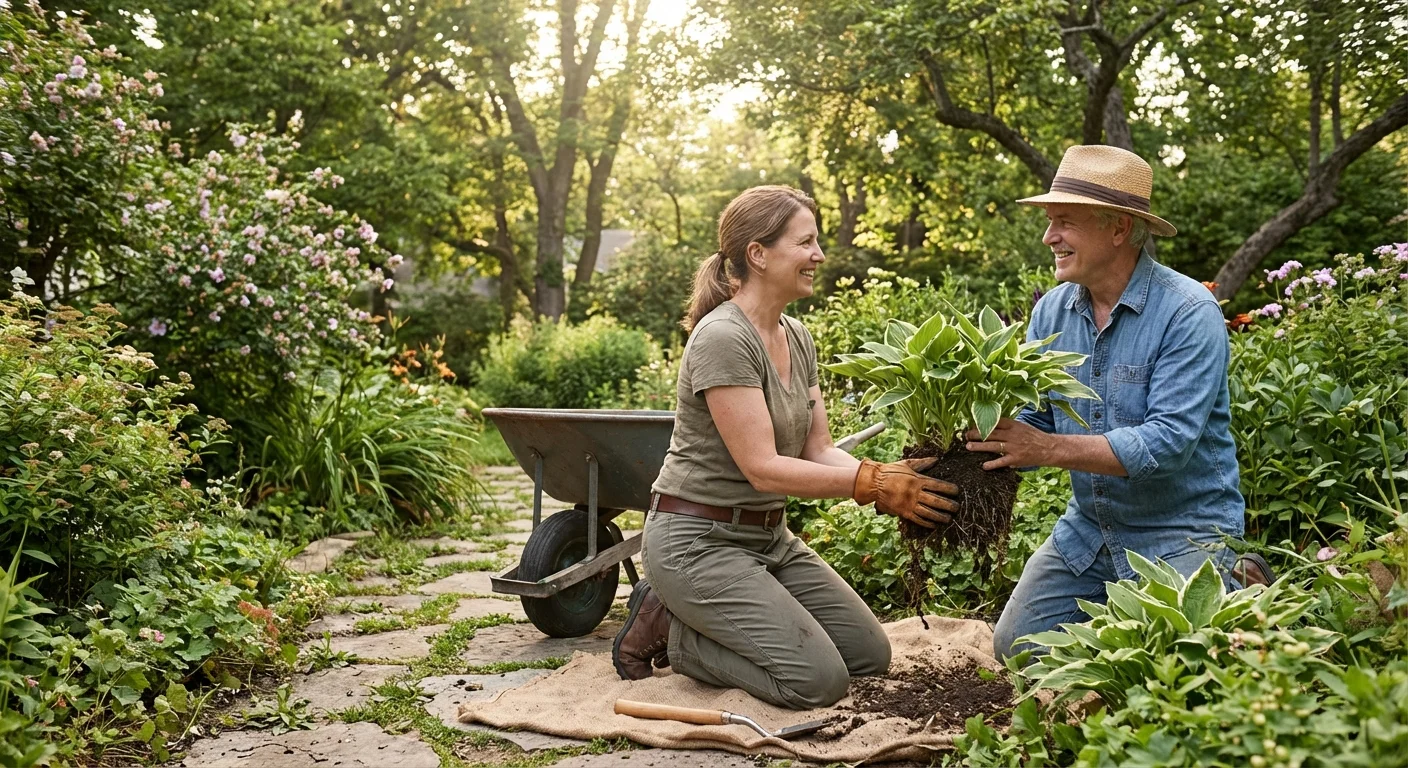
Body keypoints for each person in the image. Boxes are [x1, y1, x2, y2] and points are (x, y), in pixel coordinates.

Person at [610, 185, 960, 709]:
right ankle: (676, 633)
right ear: (758, 253)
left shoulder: (796, 336)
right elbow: (764, 470)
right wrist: (869, 484)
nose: (818, 255)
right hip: (698, 542)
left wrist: (883, 472)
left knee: (868, 655)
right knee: (817, 682)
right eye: (805, 243)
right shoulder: (724, 338)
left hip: (769, 538)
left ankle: (714, 621)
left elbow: (818, 451)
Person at [963, 145, 1272, 662]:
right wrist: (966, 441)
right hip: (1091, 529)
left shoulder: (1188, 312)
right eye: (1048, 222)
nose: (1049, 237)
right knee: (1017, 647)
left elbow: (1167, 444)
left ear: (1119, 228)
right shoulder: (1053, 312)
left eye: (1065, 222)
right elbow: (1037, 417)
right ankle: (1125, 604)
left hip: (1182, 527)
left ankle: (1237, 578)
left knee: (1173, 661)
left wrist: (1047, 448)